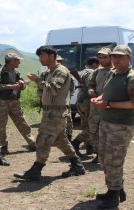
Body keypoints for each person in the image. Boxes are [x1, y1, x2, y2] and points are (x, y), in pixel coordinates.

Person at [14, 46, 84, 181]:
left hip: (56, 112)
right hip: (51, 111)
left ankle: (36, 170)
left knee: (43, 140)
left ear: (52, 56)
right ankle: (77, 165)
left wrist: (37, 81)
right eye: (39, 56)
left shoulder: (61, 71)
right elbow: (43, 88)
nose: (40, 59)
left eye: (42, 56)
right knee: (61, 140)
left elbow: (53, 89)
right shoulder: (50, 71)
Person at [90, 45, 134, 209]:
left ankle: (113, 196)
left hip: (121, 125)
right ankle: (116, 190)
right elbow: (106, 93)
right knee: (104, 158)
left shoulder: (132, 78)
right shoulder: (113, 73)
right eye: (114, 56)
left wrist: (108, 104)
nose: (116, 59)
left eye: (120, 57)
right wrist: (100, 99)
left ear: (129, 58)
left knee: (114, 160)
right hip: (106, 122)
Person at [0, 52, 36, 155]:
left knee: (22, 122)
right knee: (1, 125)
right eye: (17, 60)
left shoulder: (16, 73)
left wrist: (22, 84)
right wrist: (10, 86)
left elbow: (22, 87)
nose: (19, 62)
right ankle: (3, 146)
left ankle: (32, 143)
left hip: (14, 101)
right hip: (1, 102)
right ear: (11, 61)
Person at [87, 47, 113, 164]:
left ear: (111, 57)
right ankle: (98, 153)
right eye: (100, 57)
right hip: (95, 106)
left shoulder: (115, 72)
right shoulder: (97, 71)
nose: (102, 60)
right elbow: (91, 84)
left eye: (105, 57)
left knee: (107, 131)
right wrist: (91, 91)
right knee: (94, 129)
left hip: (109, 106)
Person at [71, 56, 99, 156]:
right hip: (88, 102)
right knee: (93, 126)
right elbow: (89, 85)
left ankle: (89, 147)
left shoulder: (83, 71)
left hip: (81, 102)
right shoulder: (90, 72)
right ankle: (76, 142)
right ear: (95, 64)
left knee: (86, 124)